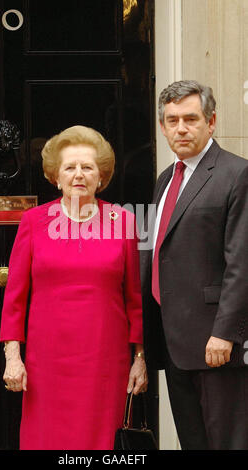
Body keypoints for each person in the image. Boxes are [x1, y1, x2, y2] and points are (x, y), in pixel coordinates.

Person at [0, 125, 147, 450]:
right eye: (70, 167)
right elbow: (15, 298)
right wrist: (13, 355)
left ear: (101, 175)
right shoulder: (34, 222)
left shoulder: (122, 222)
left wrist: (139, 356)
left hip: (105, 362)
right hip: (47, 363)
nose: (78, 175)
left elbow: (133, 298)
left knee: (102, 441)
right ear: (55, 175)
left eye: (87, 167)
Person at [141, 80, 248, 450]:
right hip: (174, 343)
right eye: (172, 120)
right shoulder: (165, 180)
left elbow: (242, 262)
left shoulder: (237, 174)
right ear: (163, 127)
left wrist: (226, 333)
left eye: (191, 118)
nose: (181, 128)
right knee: (193, 442)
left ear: (211, 122)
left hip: (215, 344)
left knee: (227, 442)